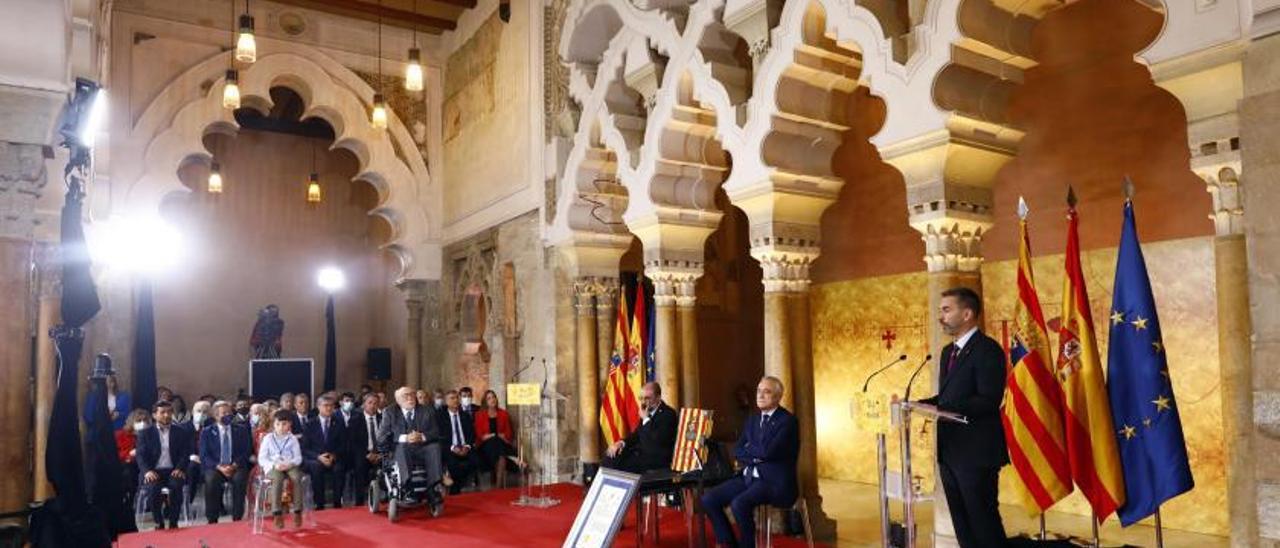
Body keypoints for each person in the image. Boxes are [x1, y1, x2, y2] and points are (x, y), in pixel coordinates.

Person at [916, 287, 1008, 548]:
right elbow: (946, 398)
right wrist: (918, 404)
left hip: (976, 452)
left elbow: (988, 400)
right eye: (940, 310)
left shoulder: (987, 350)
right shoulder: (949, 352)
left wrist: (944, 410)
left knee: (983, 520)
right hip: (950, 451)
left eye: (946, 310)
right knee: (961, 521)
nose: (940, 316)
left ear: (967, 313)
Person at [701, 376, 799, 548]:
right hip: (749, 477)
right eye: (759, 391)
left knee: (739, 504)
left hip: (773, 482)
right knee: (709, 499)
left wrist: (753, 451)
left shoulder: (788, 421)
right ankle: (728, 543)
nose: (760, 395)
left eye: (766, 392)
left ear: (778, 397)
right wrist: (757, 453)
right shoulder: (753, 420)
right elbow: (738, 450)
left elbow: (768, 452)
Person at [377, 386, 445, 512]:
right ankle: (407, 489)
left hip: (421, 449)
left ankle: (432, 489)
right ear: (397, 400)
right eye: (405, 396)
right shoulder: (390, 412)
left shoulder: (426, 411)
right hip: (399, 451)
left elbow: (435, 432)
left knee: (435, 447)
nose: (410, 398)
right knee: (403, 447)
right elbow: (381, 437)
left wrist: (422, 436)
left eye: (412, 395)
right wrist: (404, 438)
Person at [135, 401, 194, 530]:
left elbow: (185, 453)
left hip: (173, 470)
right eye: (163, 412)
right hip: (153, 470)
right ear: (155, 415)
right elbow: (140, 456)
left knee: (177, 486)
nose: (166, 415)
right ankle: (158, 522)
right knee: (154, 488)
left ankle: (174, 522)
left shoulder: (181, 432)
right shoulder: (145, 433)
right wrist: (147, 471)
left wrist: (179, 468)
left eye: (169, 412)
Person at [603, 382, 677, 474]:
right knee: (610, 456)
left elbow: (656, 440)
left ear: (658, 398)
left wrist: (646, 419)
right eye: (641, 398)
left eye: (647, 398)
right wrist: (621, 443)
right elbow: (637, 434)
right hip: (640, 454)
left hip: (655, 459)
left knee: (617, 465)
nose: (643, 402)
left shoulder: (668, 414)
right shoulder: (647, 410)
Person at [200, 401, 252, 523]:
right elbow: (204, 455)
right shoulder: (207, 432)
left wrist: (234, 465)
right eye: (224, 413)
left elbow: (246, 451)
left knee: (240, 479)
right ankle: (212, 519)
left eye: (229, 412)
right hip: (215, 467)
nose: (228, 415)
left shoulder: (241, 430)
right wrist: (220, 467)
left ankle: (237, 517)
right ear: (216, 416)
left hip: (235, 465)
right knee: (211, 480)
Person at [258, 410, 305, 529]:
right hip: (274, 466)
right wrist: (274, 465)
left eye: (284, 424)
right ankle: (277, 512)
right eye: (278, 424)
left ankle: (297, 511)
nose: (281, 427)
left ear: (290, 425)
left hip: (289, 465)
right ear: (273, 424)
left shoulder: (292, 439)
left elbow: (298, 457)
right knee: (277, 480)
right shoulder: (268, 438)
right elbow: (262, 458)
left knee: (296, 477)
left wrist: (290, 464)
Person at [302, 395, 347, 509]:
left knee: (339, 468)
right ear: (318, 407)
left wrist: (333, 455)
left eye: (331, 406)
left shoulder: (339, 423)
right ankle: (319, 503)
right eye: (326, 406)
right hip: (315, 458)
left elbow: (343, 445)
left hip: (333, 456)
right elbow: (305, 448)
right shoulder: (309, 424)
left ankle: (337, 502)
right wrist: (318, 457)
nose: (329, 408)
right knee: (316, 467)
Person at [474, 389, 521, 488]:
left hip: (500, 444)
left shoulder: (503, 414)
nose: (492, 400)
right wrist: (493, 435)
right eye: (489, 398)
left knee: (499, 452)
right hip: (485, 446)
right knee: (495, 441)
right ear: (485, 402)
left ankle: (498, 488)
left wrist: (500, 436)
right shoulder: (479, 415)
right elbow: (479, 434)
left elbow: (508, 433)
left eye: (493, 397)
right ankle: (511, 457)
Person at [438, 390, 479, 494]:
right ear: (446, 402)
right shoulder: (440, 417)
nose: (456, 400)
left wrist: (467, 446)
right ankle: (455, 491)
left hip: (465, 448)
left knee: (475, 460)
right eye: (452, 398)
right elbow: (440, 437)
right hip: (449, 448)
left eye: (457, 398)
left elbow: (471, 435)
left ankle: (461, 487)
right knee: (453, 464)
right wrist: (452, 447)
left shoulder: (465, 416)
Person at [346, 393, 383, 505]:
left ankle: (386, 498)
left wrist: (380, 454)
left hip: (380, 454)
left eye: (375, 403)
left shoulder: (383, 419)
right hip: (362, 454)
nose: (372, 406)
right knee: (360, 465)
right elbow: (352, 442)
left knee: (389, 465)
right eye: (370, 403)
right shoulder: (355, 419)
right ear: (364, 405)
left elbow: (388, 438)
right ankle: (359, 501)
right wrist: (367, 454)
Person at [117, 409, 150, 513]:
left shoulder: (150, 435)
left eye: (145, 420)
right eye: (139, 420)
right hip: (126, 465)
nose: (142, 423)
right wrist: (129, 454)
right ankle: (131, 503)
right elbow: (114, 454)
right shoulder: (120, 435)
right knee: (129, 472)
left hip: (145, 465)